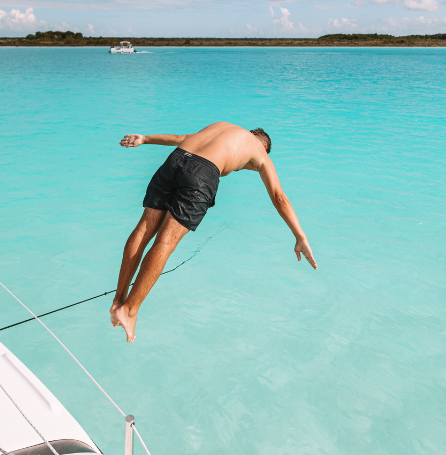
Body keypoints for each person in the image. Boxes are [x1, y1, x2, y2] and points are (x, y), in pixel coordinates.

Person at [111, 122, 317, 342]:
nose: (248, 168)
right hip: (201, 174)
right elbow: (279, 197)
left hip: (176, 159)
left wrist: (144, 138)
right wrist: (300, 236)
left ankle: (118, 300)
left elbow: (180, 137)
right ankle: (129, 310)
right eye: (253, 167)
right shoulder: (259, 150)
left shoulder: (222, 127)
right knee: (165, 242)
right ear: (263, 147)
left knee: (143, 230)